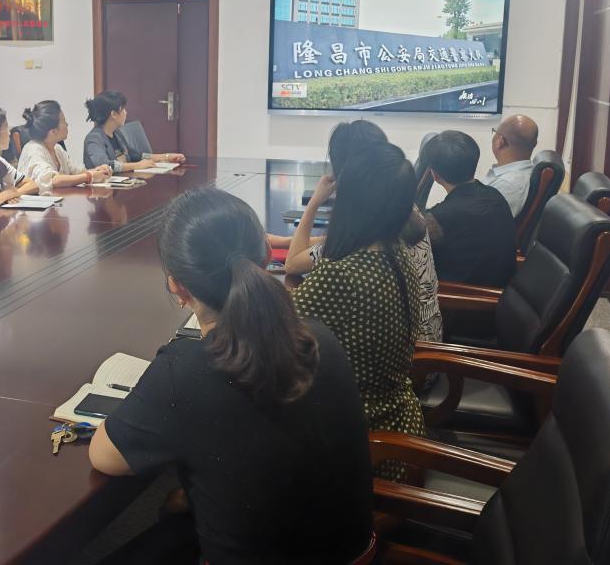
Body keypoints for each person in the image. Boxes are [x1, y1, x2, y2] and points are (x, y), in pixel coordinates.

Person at [89, 188, 373, 565]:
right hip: (354, 553)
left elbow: (105, 456)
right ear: (266, 257)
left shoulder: (183, 371)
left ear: (177, 287)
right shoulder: (318, 337)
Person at [292, 141, 425, 481]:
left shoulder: (342, 274)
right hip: (397, 421)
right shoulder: (395, 249)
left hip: (358, 439)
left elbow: (272, 331)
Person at [275, 120, 442, 345]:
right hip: (417, 346)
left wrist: (314, 202)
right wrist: (285, 240)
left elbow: (291, 274)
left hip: (407, 354)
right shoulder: (403, 216)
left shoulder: (344, 269)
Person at [423, 130, 517, 287]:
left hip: (463, 297)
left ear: (435, 175)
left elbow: (410, 252)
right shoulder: (495, 195)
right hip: (502, 292)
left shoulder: (440, 218)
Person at [83, 90, 185, 173]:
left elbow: (135, 155)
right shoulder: (94, 138)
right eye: (123, 109)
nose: (126, 113)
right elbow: (104, 165)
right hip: (104, 189)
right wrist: (137, 165)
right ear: (113, 114)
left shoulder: (116, 133)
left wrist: (166, 157)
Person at [16, 100, 111, 189]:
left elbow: (77, 172)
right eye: (64, 121)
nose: (67, 124)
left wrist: (99, 171)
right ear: (53, 131)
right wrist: (89, 176)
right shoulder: (33, 149)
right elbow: (51, 180)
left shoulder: (57, 148)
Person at [483, 114, 539, 216]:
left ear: (500, 141)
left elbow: (477, 222)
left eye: (495, 132)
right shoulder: (520, 175)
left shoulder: (506, 186)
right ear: (535, 144)